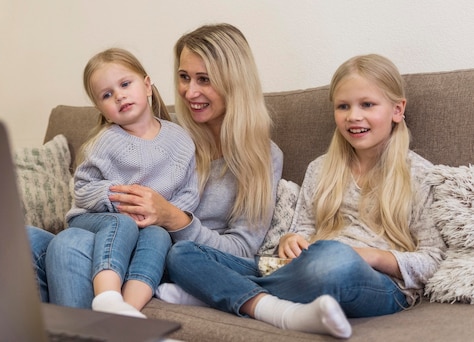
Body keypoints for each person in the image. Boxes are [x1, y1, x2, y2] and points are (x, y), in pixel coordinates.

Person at [164, 54, 447, 339]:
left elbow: (435, 260)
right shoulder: (320, 168)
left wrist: (370, 256)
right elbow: (301, 232)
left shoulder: (423, 174)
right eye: (343, 106)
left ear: (397, 110)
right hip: (303, 268)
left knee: (335, 258)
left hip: (379, 283)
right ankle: (260, 302)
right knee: (181, 253)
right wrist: (290, 240)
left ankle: (217, 291)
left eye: (367, 105)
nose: (353, 116)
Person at [30, 22, 283, 317]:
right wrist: (115, 201)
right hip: (116, 239)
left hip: (161, 254)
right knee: (30, 238)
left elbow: (241, 253)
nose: (190, 92)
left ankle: (101, 323)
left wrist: (172, 217)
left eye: (204, 79)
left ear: (235, 82)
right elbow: (91, 191)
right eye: (184, 77)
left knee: (69, 244)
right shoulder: (166, 130)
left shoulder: (262, 156)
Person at [27, 47, 199, 318]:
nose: (119, 95)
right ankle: (107, 296)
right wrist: (118, 198)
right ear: (103, 111)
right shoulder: (106, 140)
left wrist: (163, 213)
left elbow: (189, 191)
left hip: (150, 225)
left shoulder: (180, 139)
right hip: (94, 219)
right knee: (123, 221)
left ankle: (125, 312)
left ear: (147, 86)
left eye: (125, 84)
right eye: (107, 95)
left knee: (159, 235)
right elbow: (82, 189)